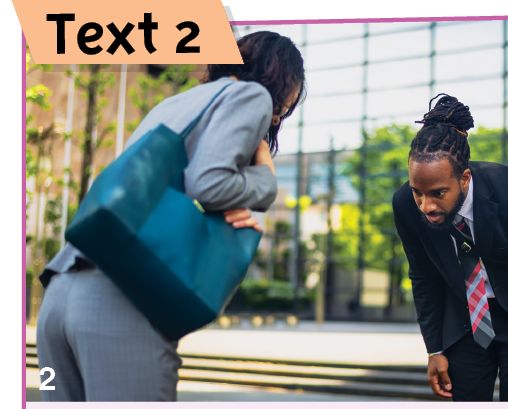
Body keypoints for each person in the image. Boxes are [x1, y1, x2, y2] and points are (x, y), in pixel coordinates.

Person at [35, 31, 306, 402]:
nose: (276, 118)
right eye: (283, 109)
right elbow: (208, 184)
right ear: (280, 83)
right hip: (120, 301)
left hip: (59, 297)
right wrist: (265, 182)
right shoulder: (251, 94)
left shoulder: (175, 103)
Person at [392, 94, 508, 402]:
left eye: (437, 193)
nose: (426, 205)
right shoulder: (405, 206)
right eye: (417, 193)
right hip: (463, 323)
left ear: (464, 179)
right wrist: (434, 348)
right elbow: (423, 276)